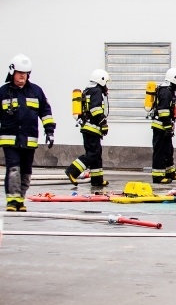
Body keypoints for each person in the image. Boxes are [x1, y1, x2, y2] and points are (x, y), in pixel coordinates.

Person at [0, 54, 56, 212]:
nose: (22, 77)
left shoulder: (36, 91)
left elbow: (45, 112)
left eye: (25, 74)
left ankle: (20, 199)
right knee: (13, 168)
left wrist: (50, 131)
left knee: (26, 171)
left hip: (29, 140)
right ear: (12, 73)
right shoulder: (3, 92)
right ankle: (12, 200)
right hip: (9, 140)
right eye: (19, 74)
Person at [65, 69, 111, 188]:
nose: (106, 85)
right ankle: (72, 171)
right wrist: (103, 123)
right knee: (92, 153)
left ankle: (97, 180)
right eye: (106, 82)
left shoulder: (89, 90)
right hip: (92, 128)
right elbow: (95, 109)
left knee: (96, 154)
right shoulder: (96, 91)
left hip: (90, 128)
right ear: (101, 80)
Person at [152, 67, 176, 184]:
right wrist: (167, 128)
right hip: (160, 127)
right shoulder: (165, 92)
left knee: (168, 150)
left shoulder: (169, 90)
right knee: (160, 151)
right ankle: (158, 176)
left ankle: (170, 172)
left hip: (165, 127)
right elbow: (163, 111)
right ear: (175, 79)